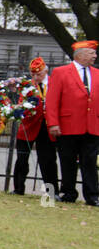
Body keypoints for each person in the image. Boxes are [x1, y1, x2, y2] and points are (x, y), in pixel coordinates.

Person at [45, 40, 99, 205]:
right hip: (68, 125)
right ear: (80, 55)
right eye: (92, 53)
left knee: (89, 161)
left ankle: (92, 195)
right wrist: (53, 123)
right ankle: (68, 193)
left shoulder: (97, 73)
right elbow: (52, 99)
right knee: (67, 160)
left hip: (91, 125)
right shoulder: (61, 72)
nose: (95, 56)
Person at [12, 57, 58, 197]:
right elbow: (21, 102)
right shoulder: (27, 85)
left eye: (39, 74)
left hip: (47, 127)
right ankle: (18, 188)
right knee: (22, 159)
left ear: (46, 71)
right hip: (28, 126)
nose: (36, 77)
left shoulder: (54, 83)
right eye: (33, 75)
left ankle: (51, 192)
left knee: (48, 161)